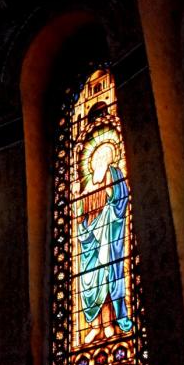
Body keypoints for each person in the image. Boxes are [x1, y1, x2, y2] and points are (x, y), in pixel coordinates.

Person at [75, 141, 133, 344]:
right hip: (89, 241)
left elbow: (120, 198)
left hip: (107, 234)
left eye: (104, 156)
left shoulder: (114, 173)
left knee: (106, 279)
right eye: (97, 157)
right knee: (90, 283)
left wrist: (108, 190)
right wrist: (79, 198)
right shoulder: (88, 183)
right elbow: (80, 212)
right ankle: (94, 326)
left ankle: (108, 324)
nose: (100, 159)